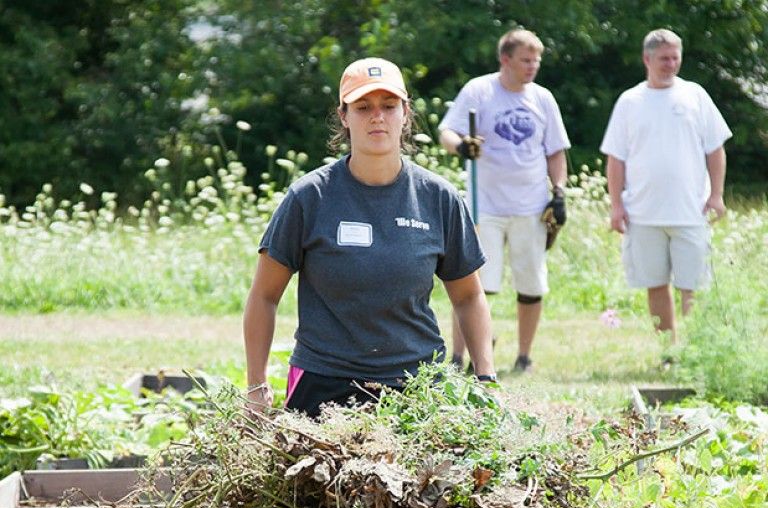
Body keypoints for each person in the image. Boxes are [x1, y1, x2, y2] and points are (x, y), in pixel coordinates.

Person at [243, 57, 495, 417]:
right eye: (363, 107)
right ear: (344, 116)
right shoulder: (309, 197)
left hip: (418, 384)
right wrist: (256, 385)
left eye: (389, 106)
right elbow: (264, 296)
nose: (377, 116)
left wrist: (486, 379)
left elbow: (469, 296)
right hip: (323, 384)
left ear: (405, 113)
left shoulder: (438, 198)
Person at [439, 28, 570, 374]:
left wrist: (559, 193)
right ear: (506, 59)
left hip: (530, 205)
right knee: (475, 284)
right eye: (526, 60)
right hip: (487, 206)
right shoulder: (480, 91)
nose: (533, 66)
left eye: (537, 60)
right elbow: (447, 132)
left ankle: (524, 356)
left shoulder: (542, 99)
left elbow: (556, 152)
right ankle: (459, 356)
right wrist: (462, 146)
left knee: (530, 284)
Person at [600, 29, 731, 345]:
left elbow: (715, 149)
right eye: (664, 58)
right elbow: (616, 159)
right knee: (655, 283)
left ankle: (695, 349)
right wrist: (616, 206)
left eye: (676, 57)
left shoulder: (695, 95)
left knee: (693, 284)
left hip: (691, 210)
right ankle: (668, 352)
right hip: (643, 212)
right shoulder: (630, 101)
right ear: (647, 59)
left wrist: (716, 195)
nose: (671, 64)